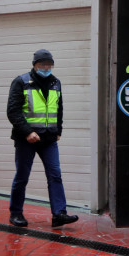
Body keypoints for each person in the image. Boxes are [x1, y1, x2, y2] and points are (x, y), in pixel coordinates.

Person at [6, 49, 78, 228]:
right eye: (43, 64)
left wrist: (58, 130)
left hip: (49, 139)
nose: (46, 68)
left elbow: (58, 108)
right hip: (26, 139)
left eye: (49, 65)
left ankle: (59, 214)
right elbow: (13, 111)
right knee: (22, 176)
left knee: (55, 175)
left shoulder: (55, 83)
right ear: (35, 65)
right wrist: (27, 132)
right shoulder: (21, 82)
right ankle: (16, 213)